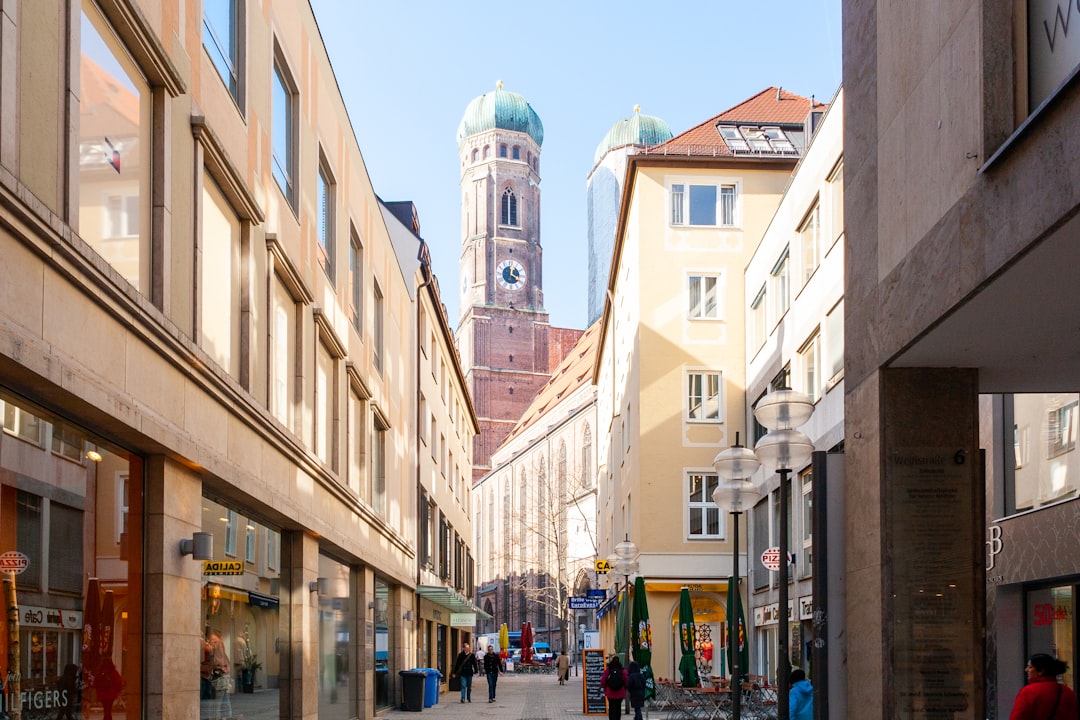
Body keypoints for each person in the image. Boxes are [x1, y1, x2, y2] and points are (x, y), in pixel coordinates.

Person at [1010, 653, 1079, 720]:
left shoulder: (1028, 691)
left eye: (1030, 667)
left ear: (1041, 671)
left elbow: (1018, 716)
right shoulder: (1067, 691)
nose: (1026, 670)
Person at [206, 628, 232, 718]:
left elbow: (217, 658)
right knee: (224, 698)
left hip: (219, 672)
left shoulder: (214, 641)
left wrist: (216, 666)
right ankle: (227, 716)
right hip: (223, 671)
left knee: (218, 701)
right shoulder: (217, 641)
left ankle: (217, 717)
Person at [601, 655, 628, 720]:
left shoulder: (608, 670)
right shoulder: (622, 670)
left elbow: (603, 680)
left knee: (612, 708)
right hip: (620, 692)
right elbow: (626, 680)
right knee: (618, 707)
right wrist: (625, 687)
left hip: (610, 692)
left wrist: (604, 687)